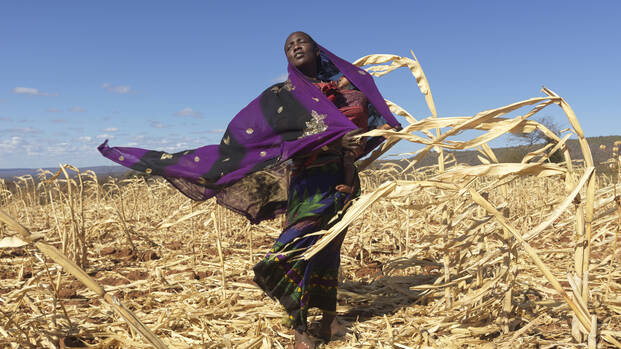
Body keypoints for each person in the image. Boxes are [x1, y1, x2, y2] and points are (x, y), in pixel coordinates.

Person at [98, 31, 400, 349]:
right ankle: (299, 330)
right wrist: (332, 141)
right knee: (293, 249)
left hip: (342, 183)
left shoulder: (347, 91)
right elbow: (281, 142)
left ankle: (328, 320)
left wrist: (350, 163)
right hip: (308, 183)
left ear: (317, 49)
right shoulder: (283, 97)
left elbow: (362, 131)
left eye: (302, 42)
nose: (295, 46)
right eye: (288, 46)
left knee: (329, 250)